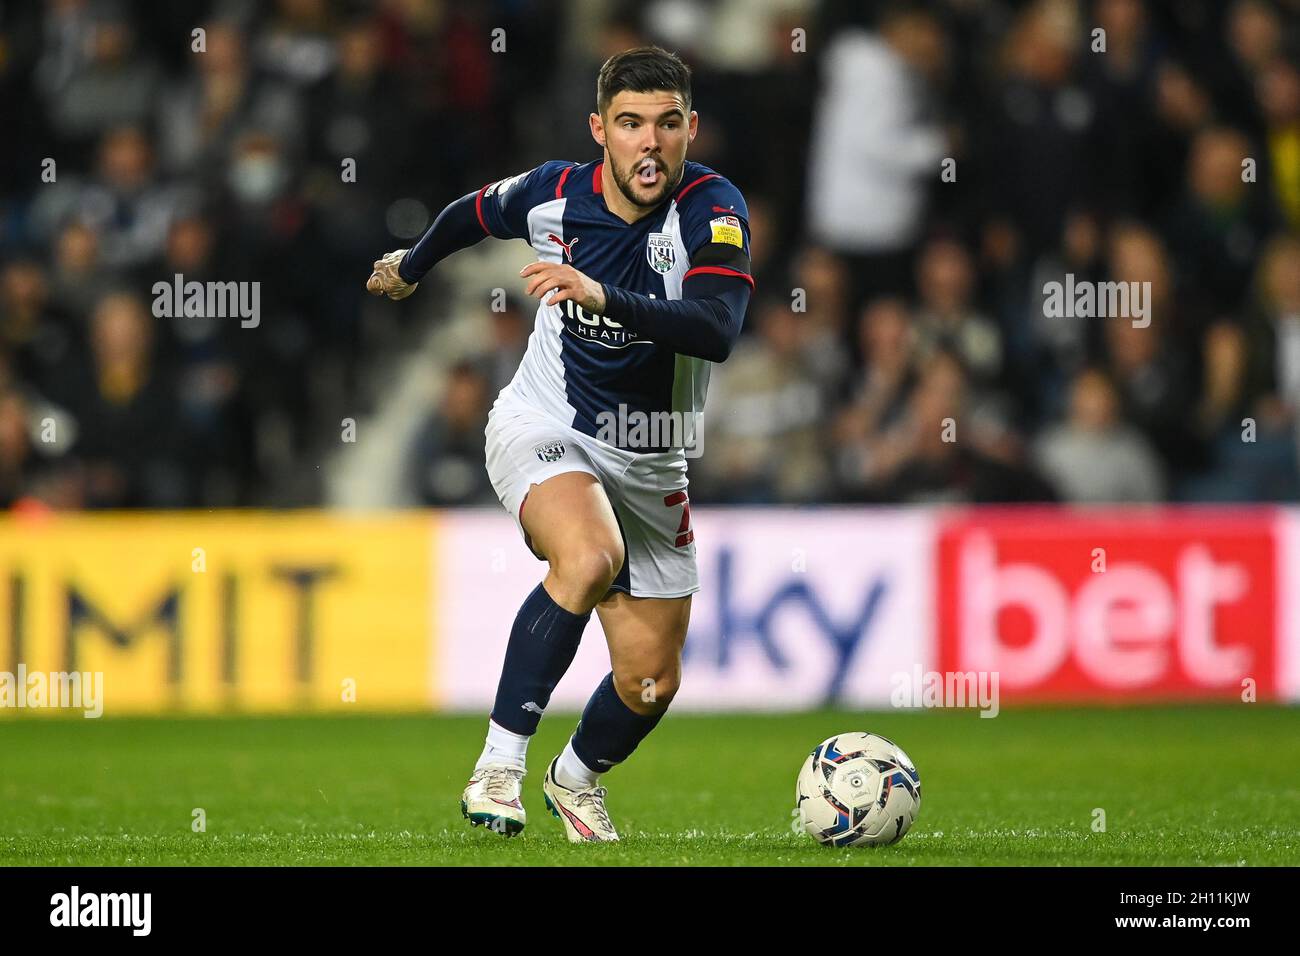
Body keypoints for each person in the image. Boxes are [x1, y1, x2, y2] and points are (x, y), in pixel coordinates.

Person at [365, 47, 753, 842]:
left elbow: (716, 329)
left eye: (668, 124)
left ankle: (573, 779)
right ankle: (498, 765)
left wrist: (603, 293)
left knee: (650, 681)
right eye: (631, 124)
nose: (650, 143)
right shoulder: (555, 192)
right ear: (599, 130)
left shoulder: (715, 211)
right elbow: (473, 212)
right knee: (586, 557)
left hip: (651, 458)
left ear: (691, 129)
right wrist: (413, 265)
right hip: (546, 423)